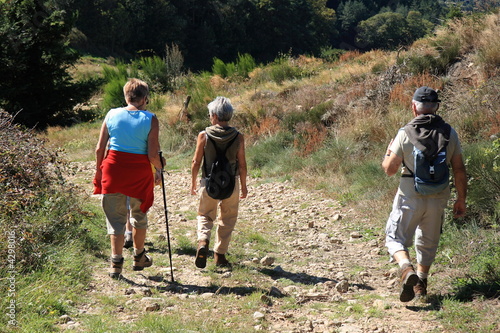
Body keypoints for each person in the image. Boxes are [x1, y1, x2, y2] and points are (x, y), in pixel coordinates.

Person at [382, 86, 467, 302]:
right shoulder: (449, 132)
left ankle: (406, 269)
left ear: (414, 107)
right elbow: (459, 169)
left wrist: (389, 151)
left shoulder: (405, 133)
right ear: (437, 107)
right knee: (428, 241)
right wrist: (461, 199)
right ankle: (421, 283)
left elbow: (390, 169)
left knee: (395, 237)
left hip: (410, 194)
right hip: (439, 195)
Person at [93, 78, 163, 279]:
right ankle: (139, 256)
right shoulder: (151, 119)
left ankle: (116, 263)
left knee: (115, 218)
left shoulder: (111, 114)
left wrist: (99, 170)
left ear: (126, 96)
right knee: (138, 214)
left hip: (113, 169)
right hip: (139, 173)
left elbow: (100, 148)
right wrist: (159, 169)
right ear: (145, 98)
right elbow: (152, 154)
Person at [190, 96, 248, 269]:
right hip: (231, 183)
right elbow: (242, 164)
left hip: (208, 182)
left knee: (205, 215)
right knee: (228, 218)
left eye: (210, 114)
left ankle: (203, 241)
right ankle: (220, 256)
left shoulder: (204, 135)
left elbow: (196, 162)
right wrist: (244, 186)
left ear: (214, 115)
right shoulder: (238, 137)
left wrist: (193, 182)